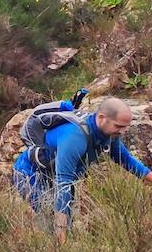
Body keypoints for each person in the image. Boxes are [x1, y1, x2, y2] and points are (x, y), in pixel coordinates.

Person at [13, 96, 152, 239]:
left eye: (125, 127)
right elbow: (63, 183)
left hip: (54, 176)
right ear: (102, 117)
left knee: (68, 225)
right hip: (29, 174)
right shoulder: (75, 137)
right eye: (119, 126)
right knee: (52, 222)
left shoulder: (109, 135)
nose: (123, 131)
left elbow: (126, 160)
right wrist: (61, 232)